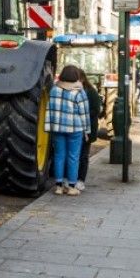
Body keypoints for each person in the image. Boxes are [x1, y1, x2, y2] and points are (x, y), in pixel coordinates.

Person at [45, 65, 90, 195]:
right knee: (73, 157)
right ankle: (71, 187)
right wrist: (87, 131)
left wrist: (49, 126)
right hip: (75, 129)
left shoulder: (54, 90)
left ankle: (58, 187)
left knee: (59, 156)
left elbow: (50, 110)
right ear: (76, 76)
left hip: (57, 128)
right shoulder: (79, 91)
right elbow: (84, 113)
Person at [77, 73, 103, 191]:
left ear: (82, 79)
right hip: (77, 129)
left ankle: (81, 180)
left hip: (87, 129)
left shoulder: (91, 92)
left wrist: (82, 115)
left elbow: (96, 110)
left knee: (83, 155)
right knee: (75, 155)